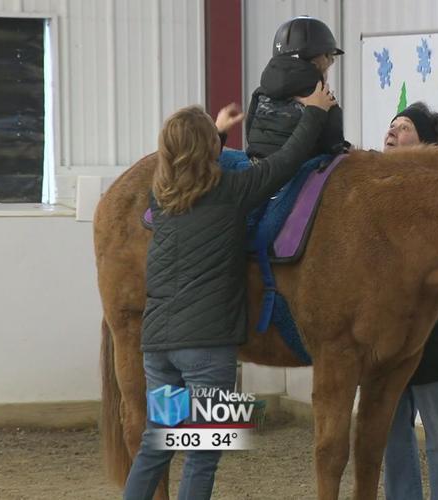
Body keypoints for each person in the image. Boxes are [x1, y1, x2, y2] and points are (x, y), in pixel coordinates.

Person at [123, 83, 334, 500]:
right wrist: (314, 112)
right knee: (202, 453)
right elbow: (285, 164)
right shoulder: (231, 193)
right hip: (207, 348)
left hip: (158, 347)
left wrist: (215, 133)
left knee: (157, 444)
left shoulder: (160, 197)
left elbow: (193, 160)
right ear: (209, 152)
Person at [381, 102, 438, 500]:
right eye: (392, 126)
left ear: (428, 144)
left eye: (403, 128)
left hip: (437, 338)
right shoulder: (375, 194)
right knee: (392, 436)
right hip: (387, 341)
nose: (392, 133)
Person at [245, 15, 347, 160]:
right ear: (320, 60)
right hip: (299, 172)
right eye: (330, 58)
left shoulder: (260, 92)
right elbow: (333, 146)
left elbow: (250, 135)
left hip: (258, 167)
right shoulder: (323, 99)